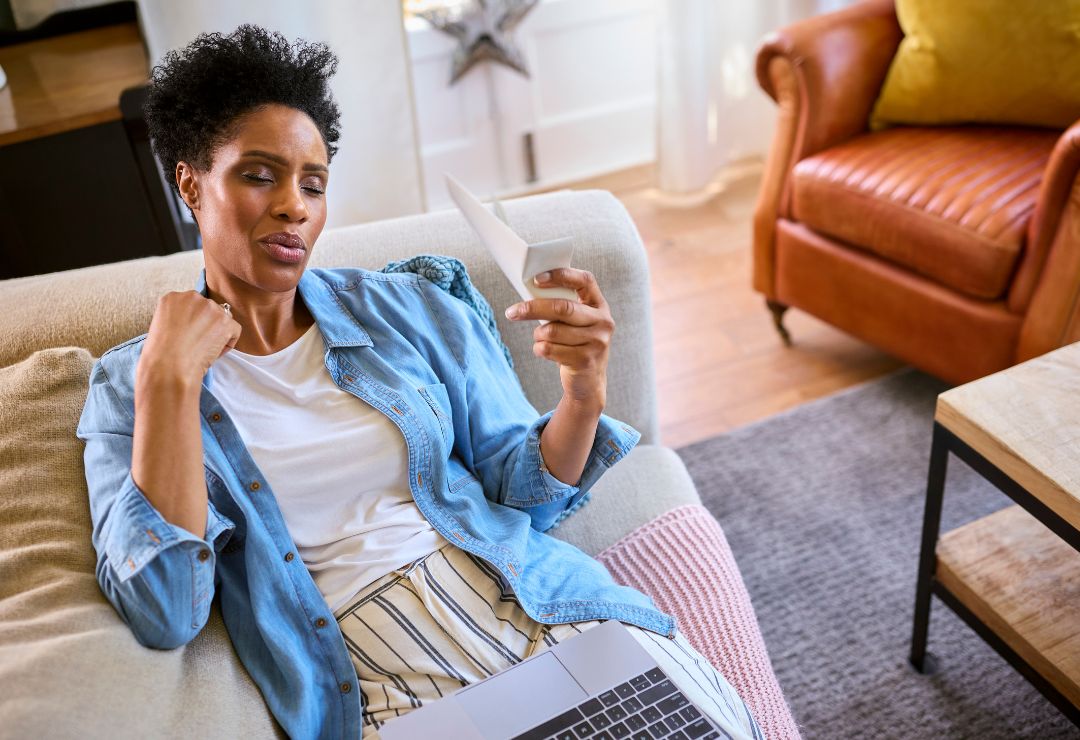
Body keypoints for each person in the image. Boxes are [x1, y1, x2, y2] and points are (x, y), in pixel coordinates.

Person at [76, 25, 762, 740]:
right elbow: (165, 610)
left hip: (539, 610)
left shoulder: (408, 307)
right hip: (383, 684)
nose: (295, 207)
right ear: (190, 181)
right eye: (258, 174)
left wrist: (583, 393)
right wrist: (169, 383)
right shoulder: (132, 385)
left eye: (313, 183)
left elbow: (520, 490)